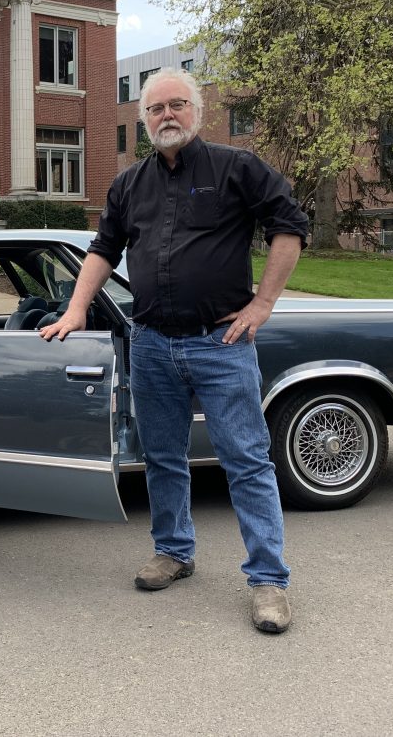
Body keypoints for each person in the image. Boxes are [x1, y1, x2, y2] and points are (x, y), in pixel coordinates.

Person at [39, 67, 308, 634]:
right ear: (143, 119)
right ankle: (174, 551)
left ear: (197, 110)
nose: (167, 115)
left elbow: (289, 226)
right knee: (161, 456)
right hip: (152, 344)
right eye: (156, 108)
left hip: (221, 343)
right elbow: (103, 249)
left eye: (177, 105)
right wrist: (75, 308)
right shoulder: (129, 184)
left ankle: (268, 580)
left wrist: (262, 305)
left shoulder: (238, 168)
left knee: (246, 461)